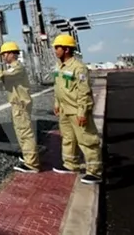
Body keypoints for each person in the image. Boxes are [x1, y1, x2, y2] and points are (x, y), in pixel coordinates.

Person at [0, 41, 40, 173]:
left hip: (21, 105)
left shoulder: (17, 68)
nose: (3, 57)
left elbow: (0, 75)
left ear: (13, 54)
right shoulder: (11, 71)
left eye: (5, 54)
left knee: (25, 133)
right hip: (17, 105)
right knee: (20, 132)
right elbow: (0, 86)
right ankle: (28, 157)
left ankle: (32, 164)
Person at [51, 34, 103, 185]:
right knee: (68, 138)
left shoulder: (78, 68)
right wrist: (57, 103)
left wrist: (82, 112)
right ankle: (70, 164)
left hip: (76, 110)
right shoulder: (59, 66)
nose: (55, 50)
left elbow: (84, 91)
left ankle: (94, 171)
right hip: (64, 109)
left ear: (66, 49)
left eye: (57, 47)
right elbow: (58, 87)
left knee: (86, 140)